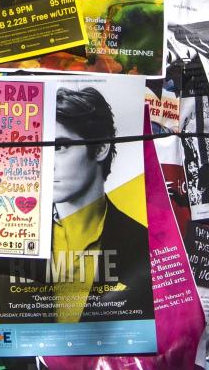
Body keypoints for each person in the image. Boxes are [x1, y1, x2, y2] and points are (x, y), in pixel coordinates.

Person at [48, 85, 150, 321]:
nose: (46, 163)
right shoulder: (12, 240)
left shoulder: (143, 244)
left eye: (59, 146)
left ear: (101, 148)